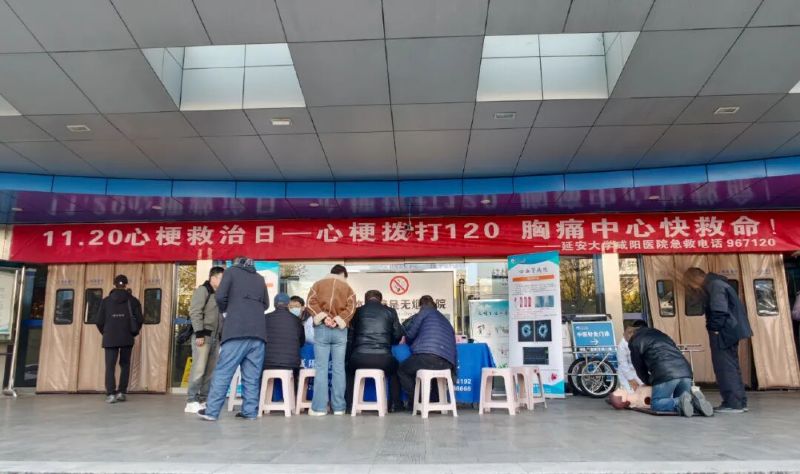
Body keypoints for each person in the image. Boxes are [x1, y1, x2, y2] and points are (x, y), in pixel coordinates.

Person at [198, 257, 269, 421]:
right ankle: (250, 412)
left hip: (236, 331)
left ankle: (212, 411)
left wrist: (228, 309)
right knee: (252, 376)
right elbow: (265, 304)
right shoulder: (259, 278)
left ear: (236, 263)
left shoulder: (231, 272)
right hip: (258, 333)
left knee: (223, 372)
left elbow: (220, 296)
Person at [685, 267, 753, 414]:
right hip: (731, 330)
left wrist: (714, 329)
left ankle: (733, 403)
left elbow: (719, 310)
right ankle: (739, 402)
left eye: (690, 283)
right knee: (732, 367)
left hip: (724, 332)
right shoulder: (719, 283)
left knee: (725, 368)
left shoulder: (714, 286)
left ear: (696, 278)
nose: (691, 287)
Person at [626, 320, 713, 417]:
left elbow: (639, 367)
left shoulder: (634, 341)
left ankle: (683, 402)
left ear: (631, 334)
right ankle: (696, 403)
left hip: (665, 373)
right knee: (685, 402)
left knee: (657, 403)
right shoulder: (660, 334)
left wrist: (648, 381)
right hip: (685, 372)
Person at [306, 264, 356, 416]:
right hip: (339, 330)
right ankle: (339, 408)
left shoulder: (317, 285)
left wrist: (324, 317)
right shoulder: (348, 289)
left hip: (322, 329)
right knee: (339, 368)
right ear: (343, 275)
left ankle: (319, 408)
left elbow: (310, 302)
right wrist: (338, 319)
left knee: (321, 368)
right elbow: (352, 308)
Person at [345, 290, 404, 413]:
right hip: (383, 359)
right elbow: (398, 335)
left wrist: (349, 357)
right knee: (395, 369)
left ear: (365, 299)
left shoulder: (357, 311)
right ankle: (395, 405)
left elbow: (350, 338)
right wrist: (389, 342)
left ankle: (349, 405)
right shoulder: (390, 311)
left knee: (349, 370)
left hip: (359, 358)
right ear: (380, 300)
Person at [397, 295, 457, 410]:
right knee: (433, 374)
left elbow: (410, 334)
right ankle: (435, 402)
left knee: (402, 370)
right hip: (447, 363)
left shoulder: (424, 312)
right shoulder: (445, 320)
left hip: (428, 356)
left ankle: (416, 402)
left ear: (421, 305)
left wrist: (408, 340)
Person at [96, 274, 143, 404]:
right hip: (127, 337)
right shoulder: (133, 301)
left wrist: (105, 332)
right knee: (125, 365)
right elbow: (140, 320)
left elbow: (99, 321)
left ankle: (111, 394)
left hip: (110, 337)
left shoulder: (105, 301)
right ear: (126, 284)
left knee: (110, 366)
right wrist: (133, 333)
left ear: (114, 284)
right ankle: (122, 392)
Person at [184, 266, 224, 414]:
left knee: (209, 372)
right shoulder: (203, 290)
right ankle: (191, 401)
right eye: (222, 278)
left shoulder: (218, 294)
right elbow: (195, 311)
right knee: (198, 370)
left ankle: (203, 400)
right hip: (203, 337)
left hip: (215, 337)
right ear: (213, 278)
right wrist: (199, 334)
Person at [264, 293, 306, 389]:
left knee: (262, 379)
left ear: (274, 304)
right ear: (288, 305)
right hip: (291, 364)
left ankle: (264, 396)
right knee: (293, 380)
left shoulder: (265, 318)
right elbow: (302, 343)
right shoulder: (297, 320)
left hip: (268, 363)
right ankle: (292, 395)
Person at [617, 320, 644, 392]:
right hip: (626, 373)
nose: (632, 334)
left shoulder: (639, 340)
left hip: (638, 372)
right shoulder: (622, 344)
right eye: (629, 332)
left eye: (633, 332)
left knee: (644, 392)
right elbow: (623, 363)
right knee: (630, 394)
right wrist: (631, 379)